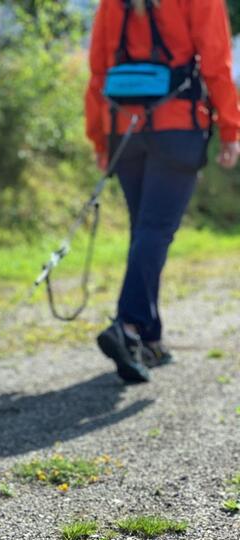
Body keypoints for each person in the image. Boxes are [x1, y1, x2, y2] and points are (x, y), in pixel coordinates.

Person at [85, 0, 240, 383]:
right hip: (177, 126)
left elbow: (97, 72)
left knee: (145, 232)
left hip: (124, 129)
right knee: (154, 231)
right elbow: (217, 63)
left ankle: (149, 339)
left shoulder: (112, 3)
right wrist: (231, 130)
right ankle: (130, 325)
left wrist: (99, 138)